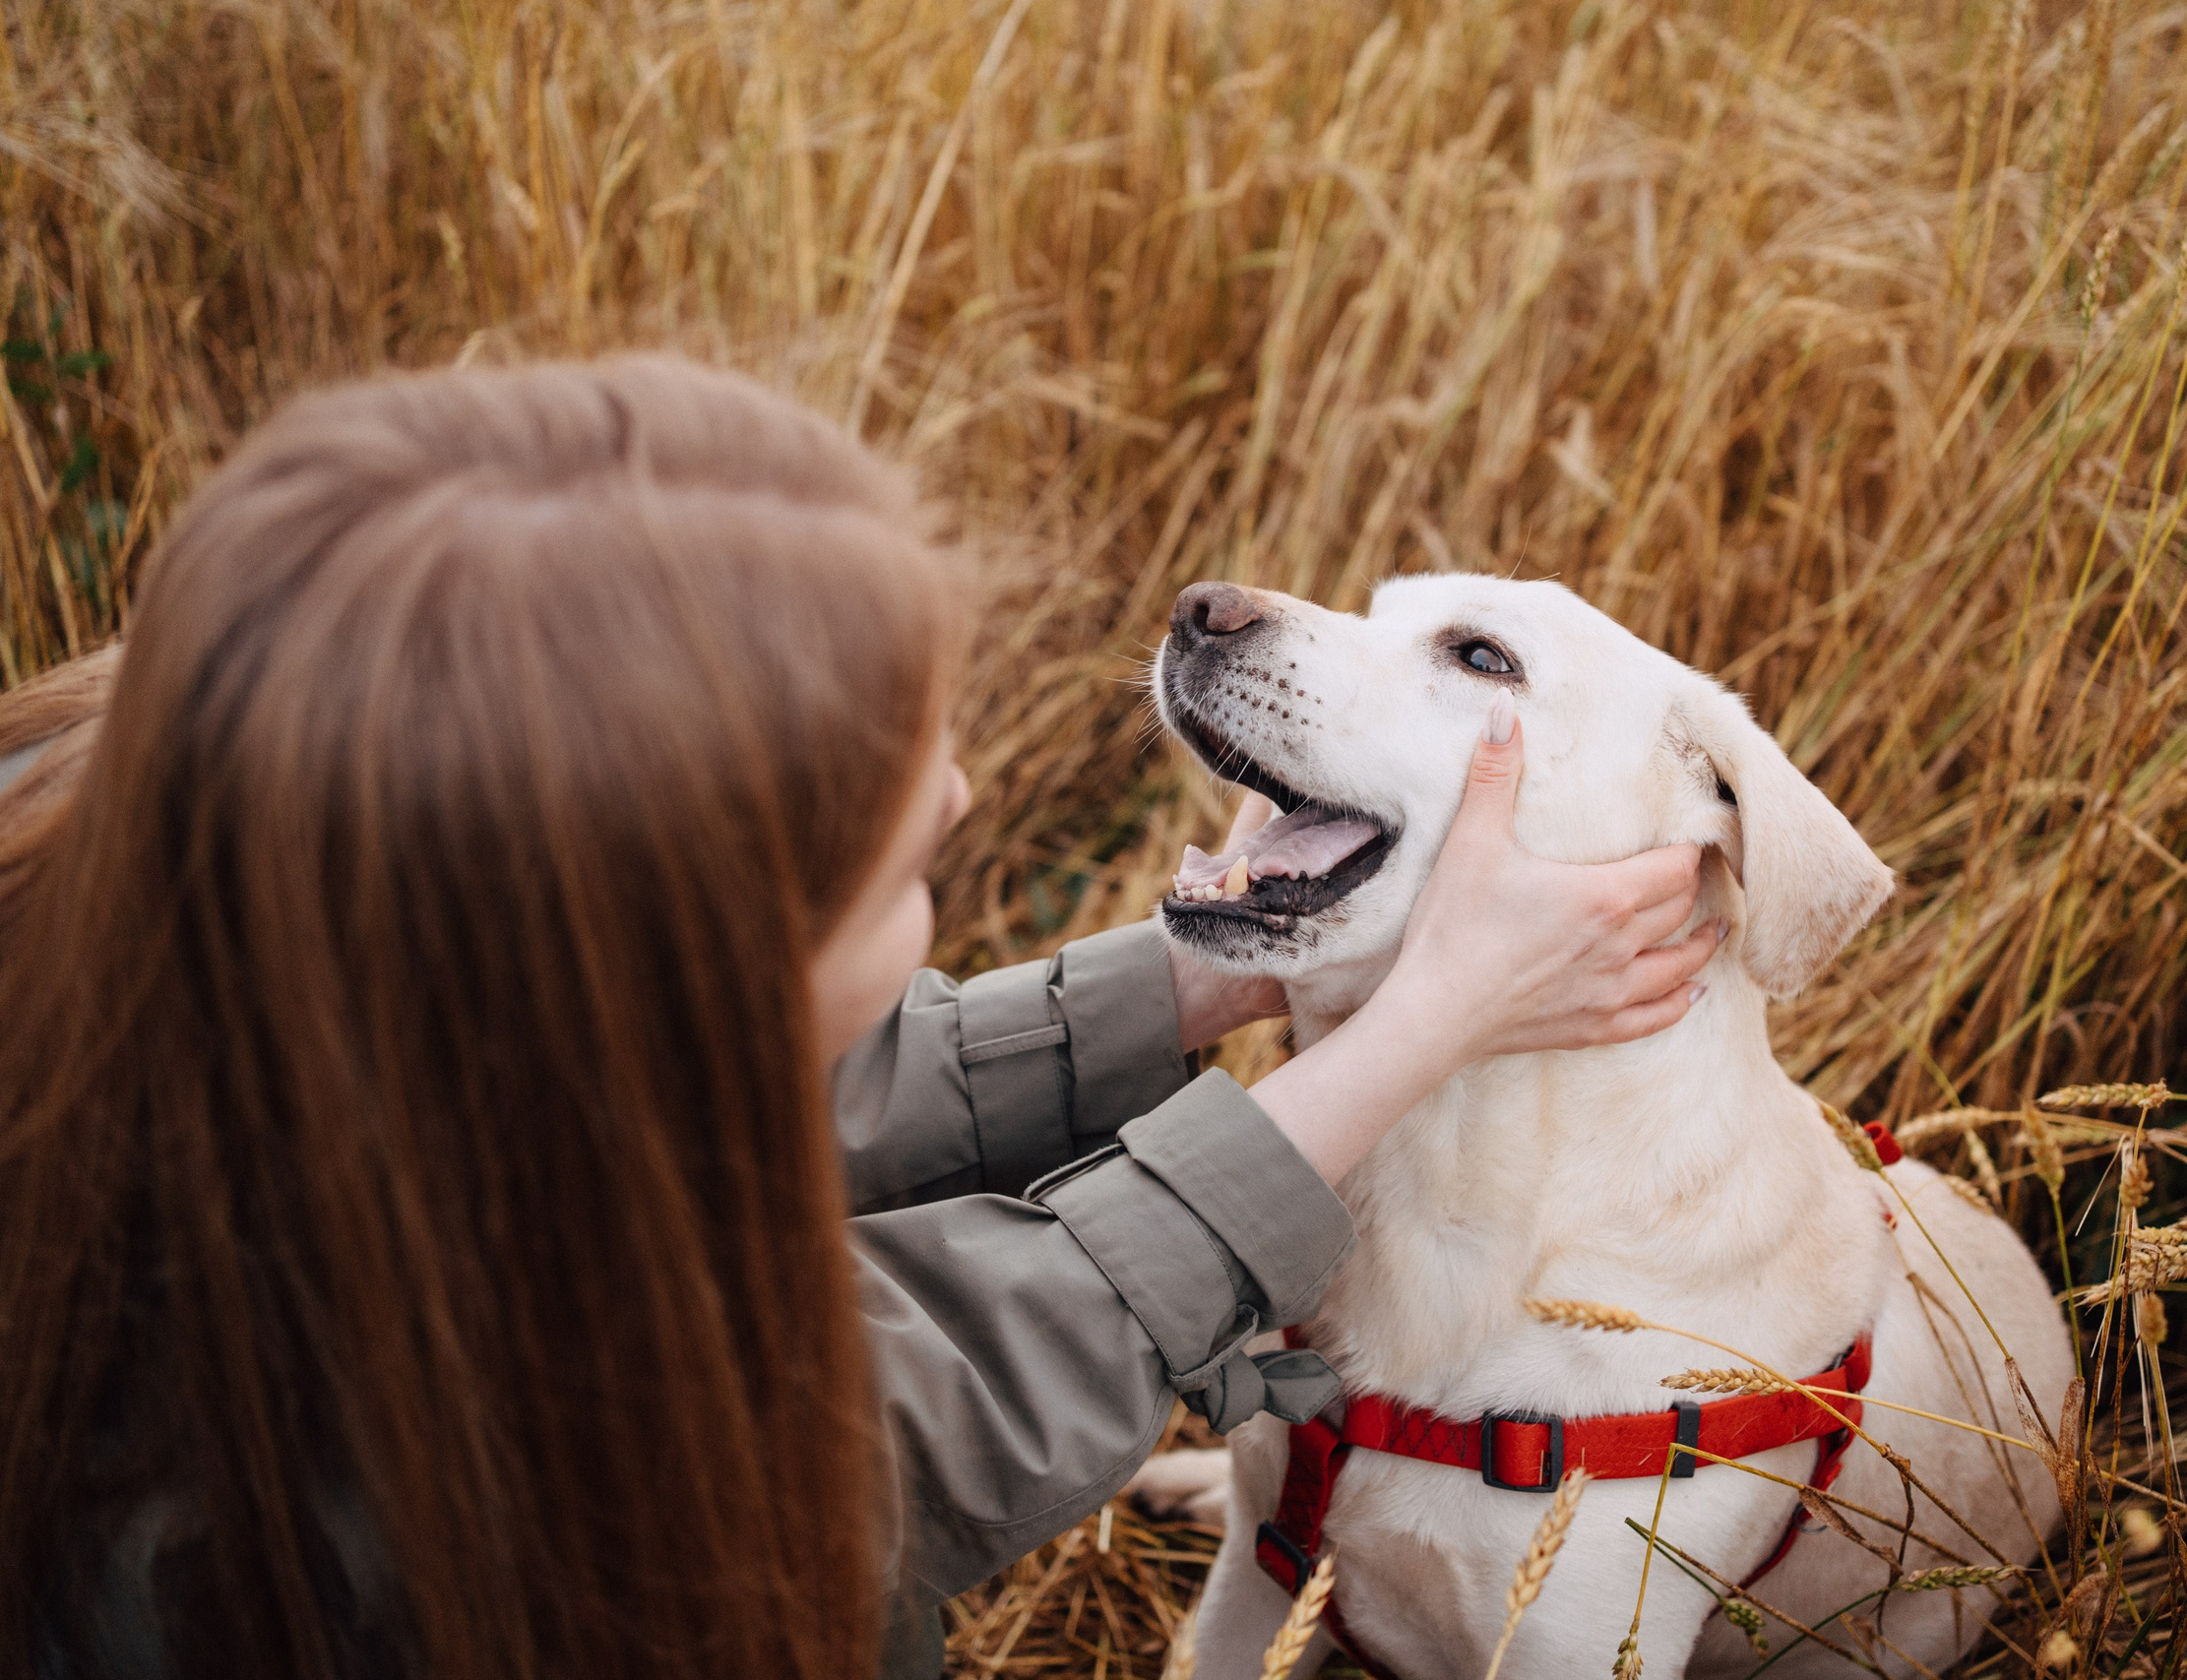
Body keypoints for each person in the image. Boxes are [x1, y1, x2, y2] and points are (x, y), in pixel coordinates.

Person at [0, 357, 1719, 1680]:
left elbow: (799, 1096)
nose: (967, 791)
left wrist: (1232, 970)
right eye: (901, 872)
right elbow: (926, 1399)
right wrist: (1403, 1036)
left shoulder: (241, 959)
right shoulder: (404, 1437)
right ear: (638, 981)